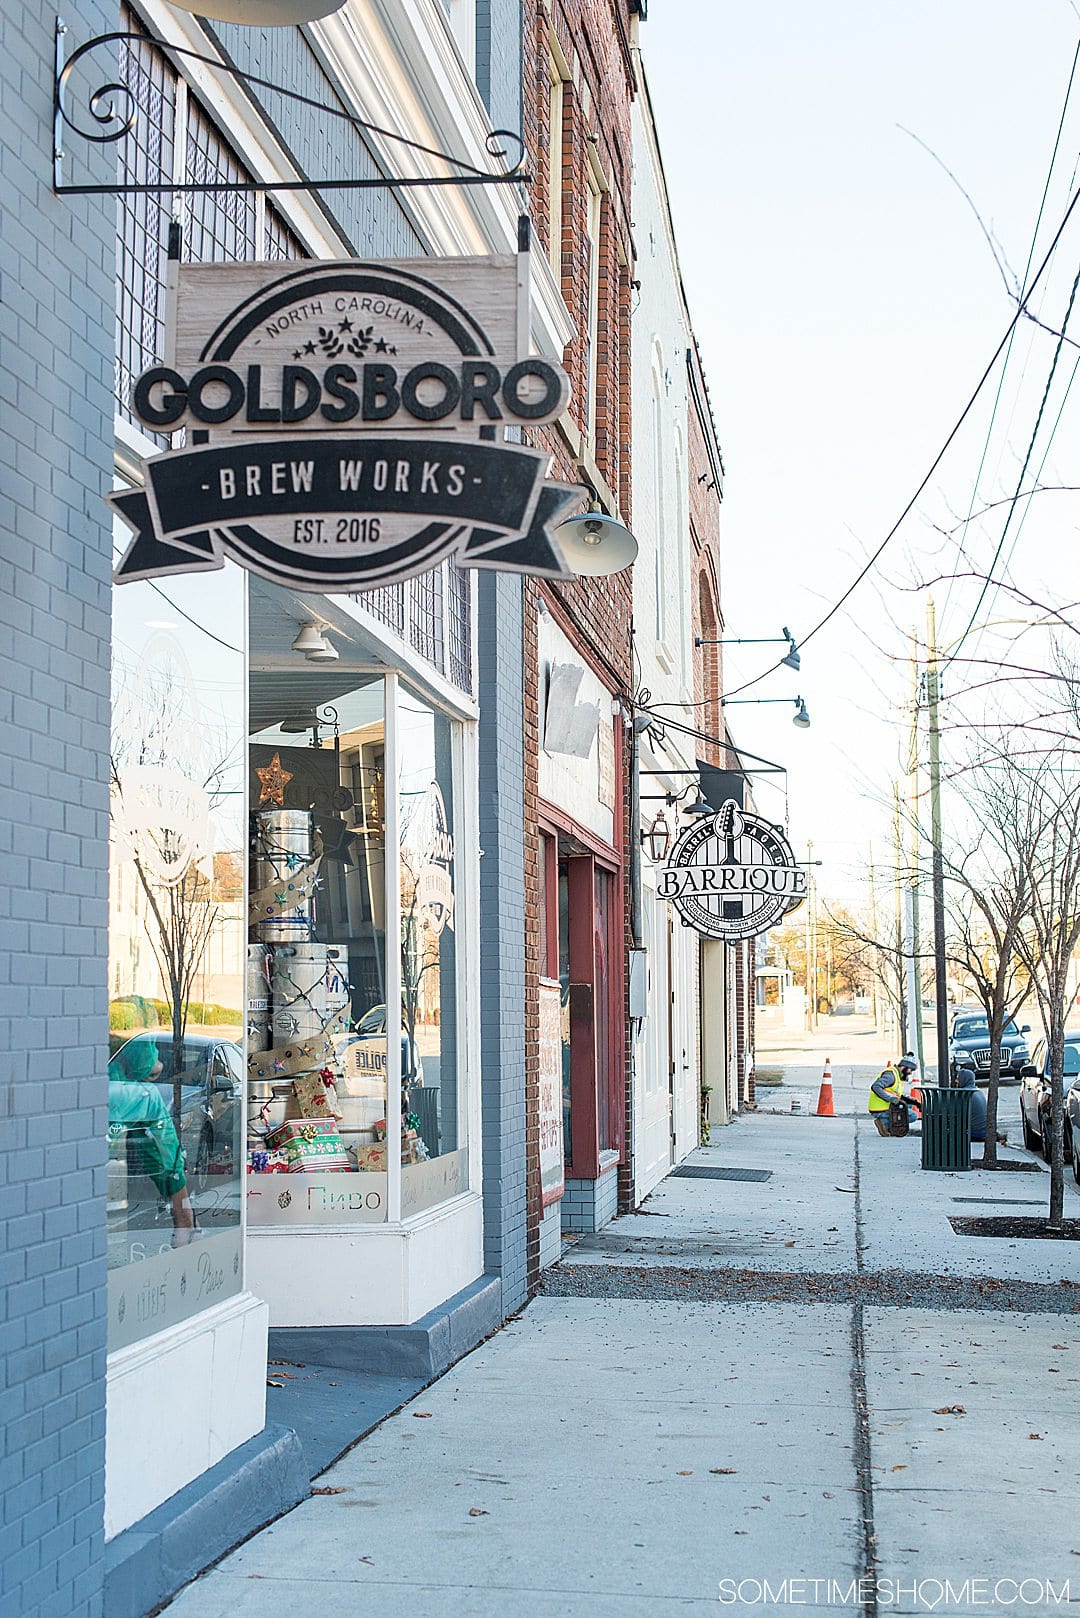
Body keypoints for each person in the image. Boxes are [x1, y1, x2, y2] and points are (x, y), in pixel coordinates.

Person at [108, 1036, 195, 1241]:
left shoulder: (119, 1079)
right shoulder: (136, 1095)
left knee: (149, 1135)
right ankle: (184, 1220)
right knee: (155, 1115)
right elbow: (146, 1063)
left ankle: (185, 1219)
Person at [867, 1051, 922, 1136]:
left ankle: (887, 1123)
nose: (910, 1073)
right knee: (912, 1116)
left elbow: (897, 1095)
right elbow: (876, 1087)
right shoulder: (890, 1075)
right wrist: (890, 1099)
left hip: (886, 1106)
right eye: (910, 1070)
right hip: (881, 1108)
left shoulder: (896, 1075)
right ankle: (885, 1124)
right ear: (904, 1067)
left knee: (909, 1106)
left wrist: (914, 1102)